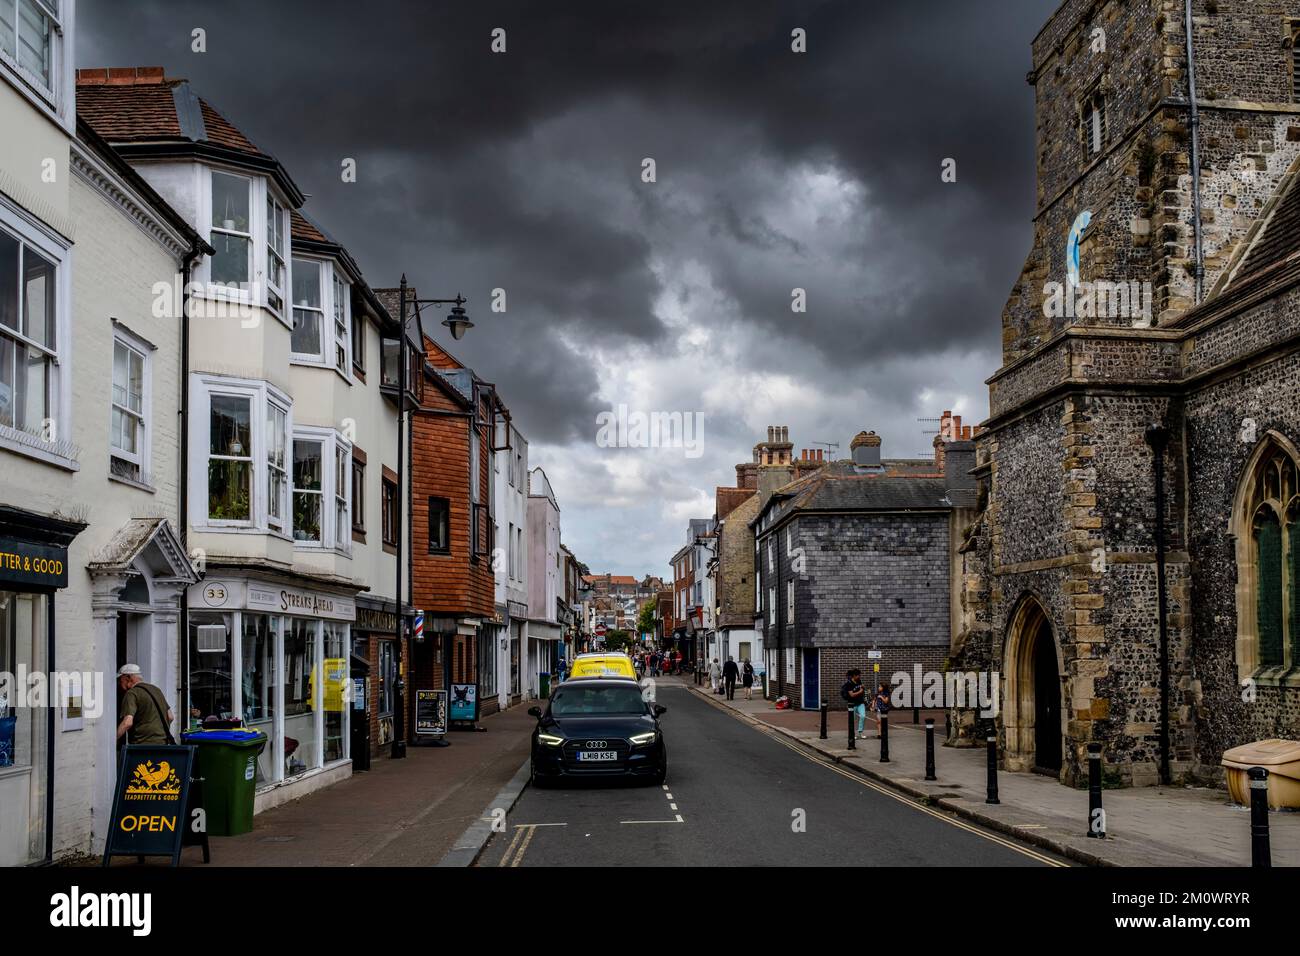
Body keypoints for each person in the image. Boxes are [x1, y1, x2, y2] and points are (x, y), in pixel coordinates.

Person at [116, 664, 175, 746]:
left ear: (127, 677)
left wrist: (113, 739)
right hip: (162, 744)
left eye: (120, 680)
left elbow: (127, 722)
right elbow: (170, 717)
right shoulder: (156, 690)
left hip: (142, 746)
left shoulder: (132, 693)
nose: (119, 683)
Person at [841, 669, 867, 737]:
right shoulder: (849, 684)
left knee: (863, 716)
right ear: (854, 676)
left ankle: (860, 732)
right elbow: (851, 695)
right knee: (852, 720)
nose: (859, 677)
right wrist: (860, 691)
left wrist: (863, 687)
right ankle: (852, 734)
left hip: (860, 702)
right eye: (858, 675)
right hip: (852, 704)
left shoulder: (859, 681)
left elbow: (861, 688)